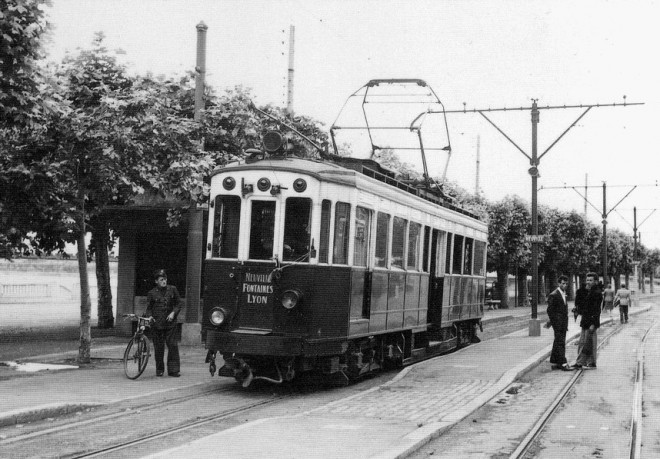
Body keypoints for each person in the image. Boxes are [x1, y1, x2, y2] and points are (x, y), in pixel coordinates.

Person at [145, 269, 183, 377]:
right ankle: (159, 369)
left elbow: (178, 304)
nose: (164, 281)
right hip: (157, 324)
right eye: (161, 280)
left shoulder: (172, 290)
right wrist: (150, 316)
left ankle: (173, 370)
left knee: (172, 345)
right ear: (156, 281)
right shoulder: (151, 293)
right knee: (159, 347)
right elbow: (148, 309)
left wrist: (173, 313)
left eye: (165, 279)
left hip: (170, 323)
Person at [573, 272, 602, 370]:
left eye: (590, 280)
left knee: (587, 342)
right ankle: (590, 362)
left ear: (595, 282)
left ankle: (582, 362)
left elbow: (597, 310)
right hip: (585, 321)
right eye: (587, 280)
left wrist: (594, 324)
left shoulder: (597, 293)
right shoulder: (587, 292)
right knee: (584, 342)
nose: (588, 282)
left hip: (591, 322)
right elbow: (582, 306)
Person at [545, 275, 573, 371]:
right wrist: (555, 321)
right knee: (560, 341)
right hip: (558, 323)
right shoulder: (554, 294)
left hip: (563, 322)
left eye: (566, 284)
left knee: (558, 341)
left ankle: (556, 361)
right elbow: (550, 310)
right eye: (562, 283)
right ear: (559, 283)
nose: (564, 285)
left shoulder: (563, 293)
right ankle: (563, 363)